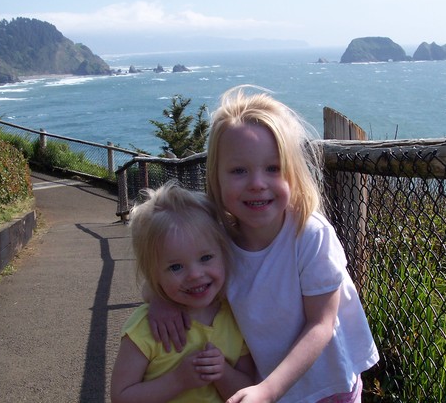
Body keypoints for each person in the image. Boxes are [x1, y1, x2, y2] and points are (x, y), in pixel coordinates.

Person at [149, 85, 379, 403]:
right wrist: (159, 301)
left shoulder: (309, 235)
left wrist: (268, 389)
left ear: (293, 173)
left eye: (273, 168)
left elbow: (321, 325)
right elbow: (168, 269)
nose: (257, 183)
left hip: (328, 383)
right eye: (239, 170)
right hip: (268, 384)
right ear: (216, 176)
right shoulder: (216, 238)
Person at [110, 180, 255, 403]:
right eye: (175, 267)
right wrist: (178, 380)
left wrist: (223, 373)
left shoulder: (236, 316)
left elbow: (250, 389)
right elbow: (121, 396)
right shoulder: (145, 327)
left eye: (206, 258)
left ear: (224, 254)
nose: (195, 275)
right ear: (153, 273)